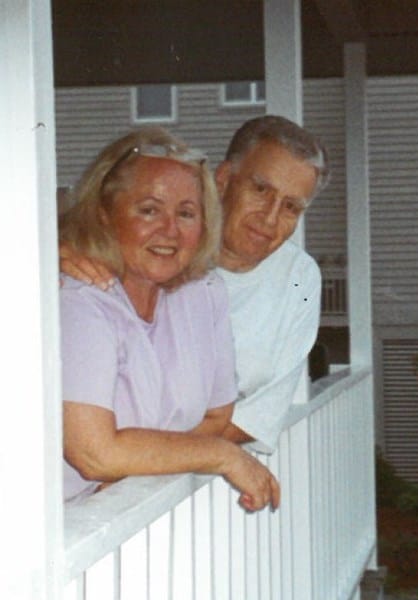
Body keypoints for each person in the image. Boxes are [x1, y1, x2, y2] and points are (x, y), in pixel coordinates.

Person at [60, 115, 330, 453]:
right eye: (261, 190)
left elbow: (252, 418)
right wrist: (48, 250)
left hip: (164, 485)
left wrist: (135, 466)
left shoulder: (298, 279)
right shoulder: (153, 252)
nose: (270, 217)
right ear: (224, 179)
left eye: (291, 207)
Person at [60, 126, 279, 510]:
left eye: (187, 213)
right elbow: (93, 455)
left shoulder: (203, 294)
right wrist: (221, 455)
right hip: (19, 526)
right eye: (149, 210)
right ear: (105, 215)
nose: (170, 230)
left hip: (113, 517)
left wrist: (132, 467)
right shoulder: (78, 297)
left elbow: (216, 414)